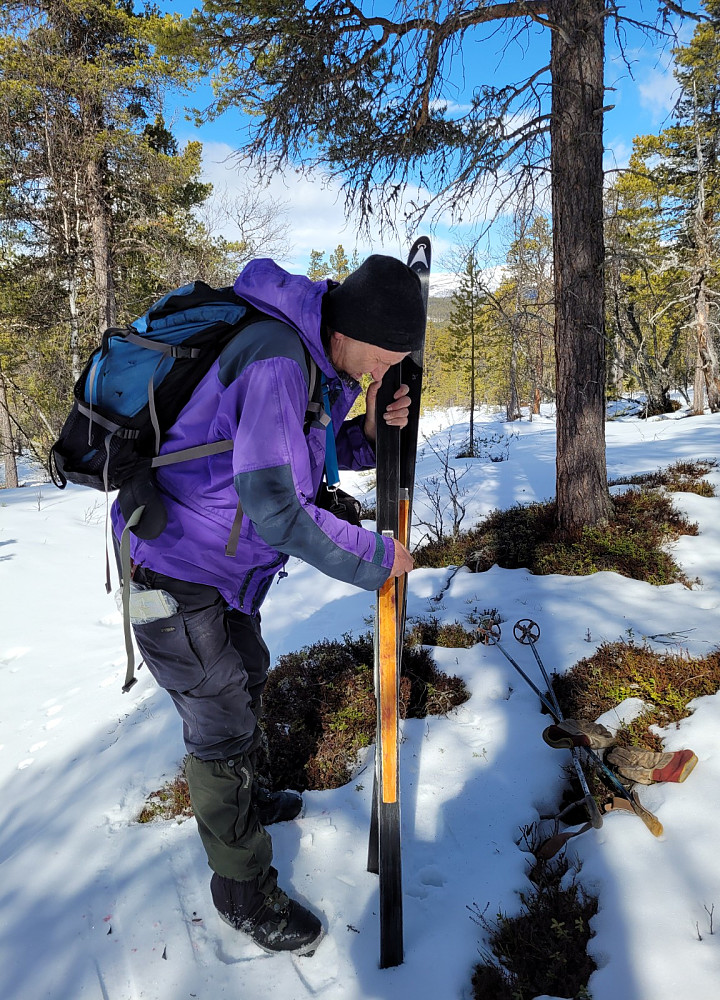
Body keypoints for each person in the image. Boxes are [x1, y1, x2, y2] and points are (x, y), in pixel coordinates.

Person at [111, 253, 426, 956]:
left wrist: (366, 436)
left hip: (221, 571)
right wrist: (374, 557)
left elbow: (297, 455)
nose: (381, 373)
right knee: (219, 720)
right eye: (383, 358)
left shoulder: (315, 352)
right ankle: (243, 892)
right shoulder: (280, 360)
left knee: (247, 673)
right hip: (174, 567)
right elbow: (277, 506)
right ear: (353, 330)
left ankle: (245, 803)